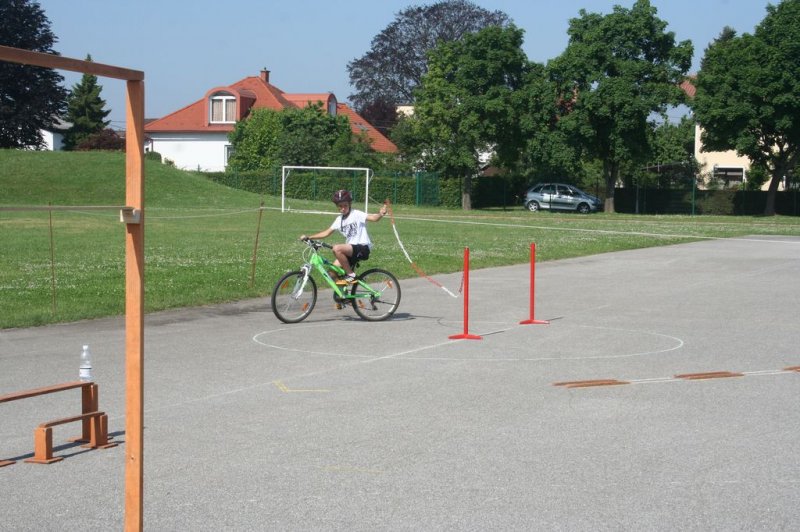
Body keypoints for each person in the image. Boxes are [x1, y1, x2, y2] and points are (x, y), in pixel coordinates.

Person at [300, 189, 388, 284]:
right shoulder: (339, 220)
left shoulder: (356, 214)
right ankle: (343, 296)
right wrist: (309, 237)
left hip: (362, 248)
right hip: (350, 251)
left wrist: (380, 214)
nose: (343, 208)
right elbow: (327, 232)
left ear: (349, 204)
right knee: (331, 274)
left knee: (337, 248)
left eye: (345, 205)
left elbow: (374, 218)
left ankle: (351, 275)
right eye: (340, 206)